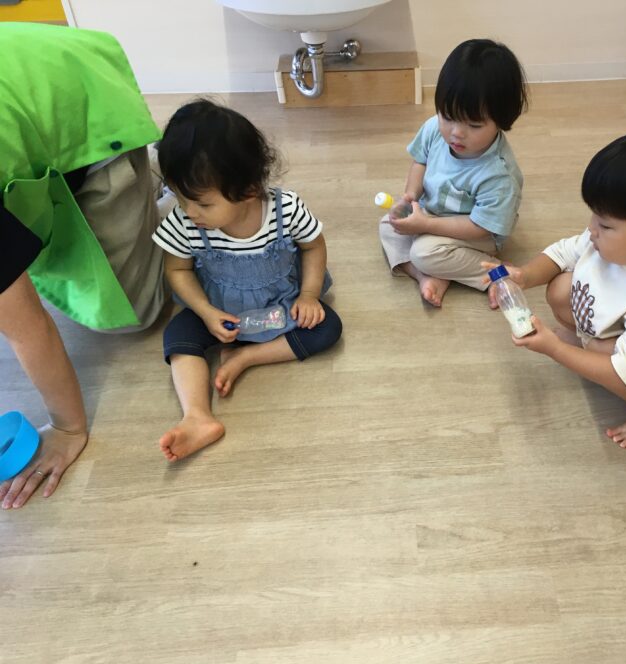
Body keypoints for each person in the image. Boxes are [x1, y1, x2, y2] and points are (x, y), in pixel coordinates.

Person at [0, 24, 166, 509]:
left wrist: (68, 427)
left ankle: (162, 178)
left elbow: (28, 329)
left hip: (81, 97)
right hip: (27, 81)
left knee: (133, 315)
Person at [486, 127, 626, 452]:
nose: (592, 229)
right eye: (594, 216)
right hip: (614, 333)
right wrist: (524, 275)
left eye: (605, 225)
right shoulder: (617, 241)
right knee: (560, 287)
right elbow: (564, 252)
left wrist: (555, 349)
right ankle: (588, 345)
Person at [152, 100, 342, 462]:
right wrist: (206, 312)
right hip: (218, 311)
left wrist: (309, 295)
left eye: (203, 204)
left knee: (327, 327)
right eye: (179, 197)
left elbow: (313, 245)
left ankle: (247, 356)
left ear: (249, 189)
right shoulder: (184, 221)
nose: (190, 212)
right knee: (177, 335)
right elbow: (177, 270)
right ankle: (197, 415)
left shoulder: (286, 209)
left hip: (279, 303)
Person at [378, 38, 528, 307]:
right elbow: (420, 162)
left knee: (423, 252)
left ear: (502, 120)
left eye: (473, 124)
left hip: (477, 235)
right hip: (433, 215)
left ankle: (496, 274)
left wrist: (426, 226)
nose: (456, 132)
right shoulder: (433, 129)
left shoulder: (498, 175)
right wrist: (410, 197)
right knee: (389, 225)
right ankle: (426, 275)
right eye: (448, 116)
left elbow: (481, 227)